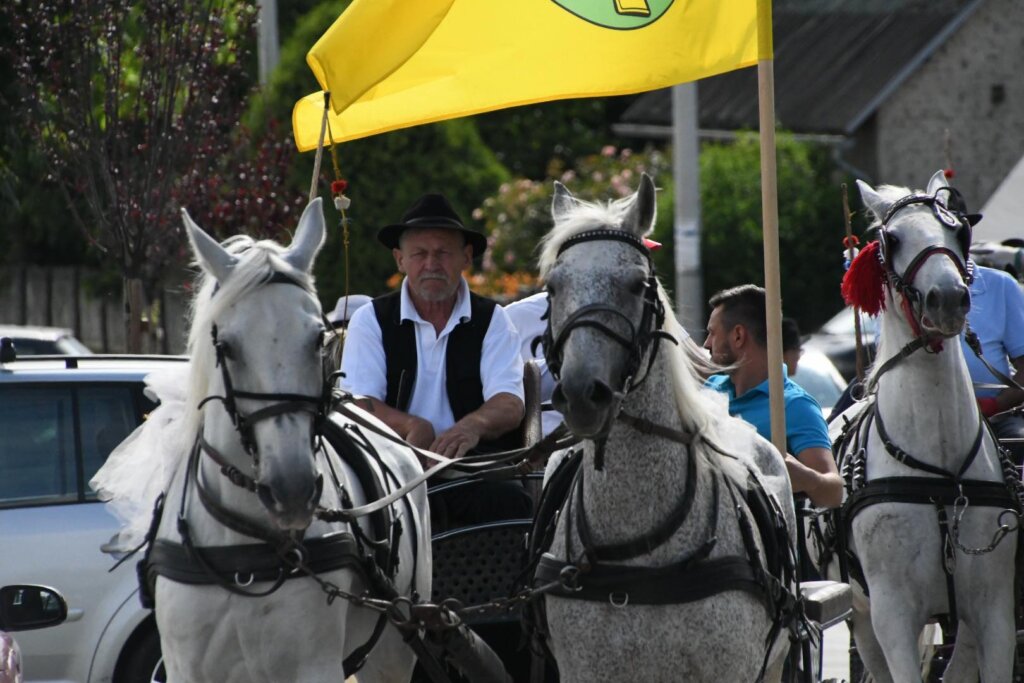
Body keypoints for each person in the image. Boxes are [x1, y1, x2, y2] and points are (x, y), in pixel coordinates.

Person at [339, 193, 531, 527]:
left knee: (511, 506)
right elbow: (358, 403)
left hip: (471, 472)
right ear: (400, 260)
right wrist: (413, 426)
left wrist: (472, 426)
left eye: (443, 252)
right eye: (419, 254)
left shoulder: (493, 320)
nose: (431, 264)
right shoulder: (371, 319)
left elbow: (510, 402)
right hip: (392, 474)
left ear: (466, 257)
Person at [703, 285, 843, 508]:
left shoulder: (794, 406)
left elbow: (834, 493)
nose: (706, 344)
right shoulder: (710, 389)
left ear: (738, 336)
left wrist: (806, 478)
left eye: (712, 333)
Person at [962, 264, 1024, 444]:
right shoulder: (899, 287)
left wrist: (994, 405)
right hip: (922, 417)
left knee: (1018, 442)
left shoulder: (1000, 284)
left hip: (996, 417)